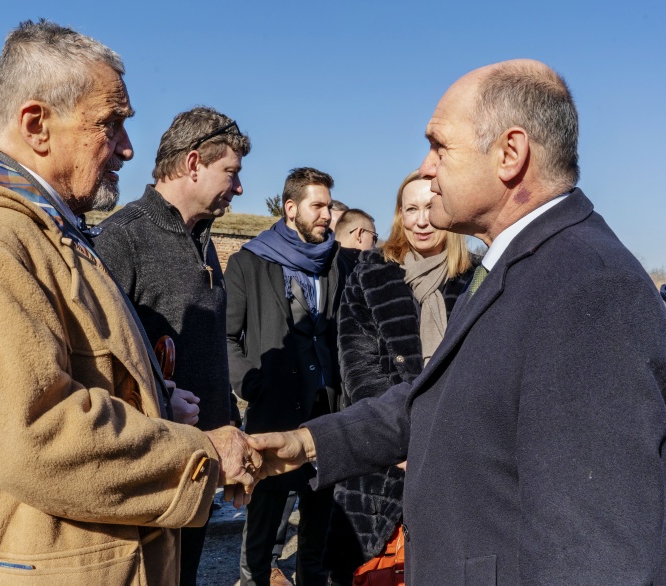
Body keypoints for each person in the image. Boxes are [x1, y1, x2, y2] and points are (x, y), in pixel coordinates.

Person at [0, 20, 261, 585]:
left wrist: (152, 396)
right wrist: (195, 455)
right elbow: (38, 431)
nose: (127, 147)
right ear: (37, 124)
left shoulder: (42, 231)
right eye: (111, 123)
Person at [250, 59, 666, 584]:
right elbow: (437, 398)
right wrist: (307, 444)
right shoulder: (523, 262)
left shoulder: (589, 287)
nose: (426, 167)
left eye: (440, 146)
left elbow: (597, 552)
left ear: (510, 155)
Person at [93, 105, 251, 585]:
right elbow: (97, 361)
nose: (239, 188)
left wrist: (230, 427)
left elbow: (208, 348)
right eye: (231, 172)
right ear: (194, 162)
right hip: (147, 471)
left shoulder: (201, 240)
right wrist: (158, 402)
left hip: (197, 465)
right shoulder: (123, 238)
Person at [325, 170, 474, 584]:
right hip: (384, 452)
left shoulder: (476, 278)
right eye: (411, 209)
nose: (421, 220)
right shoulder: (371, 273)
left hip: (456, 450)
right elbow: (357, 363)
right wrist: (397, 438)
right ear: (399, 215)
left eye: (430, 206)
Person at [226, 167, 346, 586]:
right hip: (273, 412)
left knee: (318, 527)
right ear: (291, 208)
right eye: (318, 206)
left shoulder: (338, 264)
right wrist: (251, 383)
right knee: (262, 526)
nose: (327, 216)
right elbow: (227, 336)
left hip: (328, 412)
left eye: (329, 207)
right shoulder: (248, 262)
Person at [333, 208, 378, 273]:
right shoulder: (359, 271)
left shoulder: (324, 262)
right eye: (374, 238)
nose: (374, 246)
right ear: (360, 234)